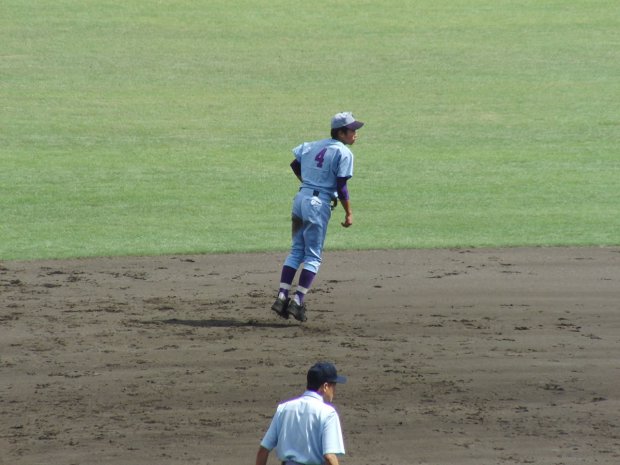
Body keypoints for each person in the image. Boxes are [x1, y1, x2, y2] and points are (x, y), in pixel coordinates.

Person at [271, 112, 364, 322]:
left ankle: (282, 296)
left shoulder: (313, 145)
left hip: (300, 199)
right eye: (352, 130)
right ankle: (297, 302)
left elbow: (295, 164)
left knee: (296, 250)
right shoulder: (344, 153)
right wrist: (349, 212)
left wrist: (309, 181)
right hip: (317, 205)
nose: (355, 134)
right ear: (341, 133)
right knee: (312, 257)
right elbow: (341, 186)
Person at [255, 362, 348, 465]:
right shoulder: (328, 413)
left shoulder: (284, 408)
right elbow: (329, 456)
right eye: (333, 385)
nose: (334, 390)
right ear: (325, 386)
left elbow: (263, 450)